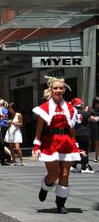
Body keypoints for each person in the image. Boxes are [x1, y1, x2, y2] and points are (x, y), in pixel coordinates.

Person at [33, 76, 81, 214]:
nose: (58, 90)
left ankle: (60, 204)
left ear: (64, 90)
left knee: (65, 175)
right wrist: (36, 146)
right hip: (50, 143)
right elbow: (39, 130)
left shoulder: (71, 108)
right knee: (54, 175)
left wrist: (76, 146)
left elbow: (72, 129)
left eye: (61, 88)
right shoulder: (44, 108)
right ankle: (45, 186)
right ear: (51, 90)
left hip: (67, 143)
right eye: (55, 88)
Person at [70, 98, 94, 174]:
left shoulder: (72, 113)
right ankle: (84, 167)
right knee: (84, 150)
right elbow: (94, 120)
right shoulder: (85, 113)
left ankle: (74, 165)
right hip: (84, 134)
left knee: (76, 149)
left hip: (75, 134)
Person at [88, 97, 99, 162]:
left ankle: (96, 157)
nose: (97, 104)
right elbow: (88, 117)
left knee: (97, 143)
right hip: (90, 127)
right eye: (96, 103)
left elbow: (94, 119)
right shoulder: (90, 109)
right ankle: (85, 157)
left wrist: (94, 118)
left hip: (97, 128)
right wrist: (95, 118)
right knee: (88, 143)